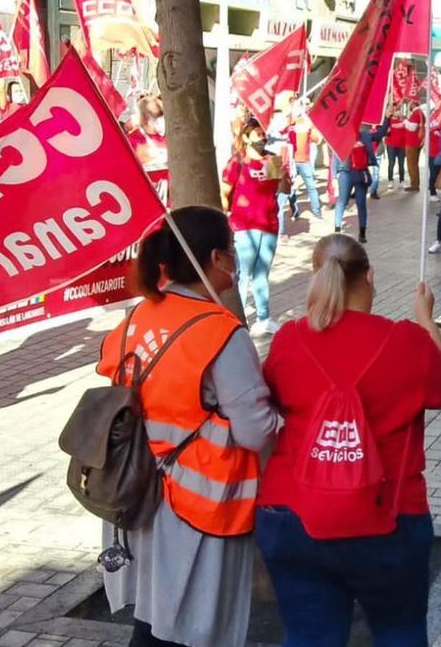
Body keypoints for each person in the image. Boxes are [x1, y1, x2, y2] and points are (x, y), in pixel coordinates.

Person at [256, 234, 441, 647]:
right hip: (387, 517)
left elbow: (272, 399)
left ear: (317, 277)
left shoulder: (289, 339)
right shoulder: (407, 340)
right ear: (369, 276)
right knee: (398, 633)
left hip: (291, 514)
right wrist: (426, 320)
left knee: (308, 637)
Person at [98, 206, 278, 647]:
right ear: (215, 258)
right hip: (201, 504)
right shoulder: (220, 332)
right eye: (232, 250)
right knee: (190, 630)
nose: (235, 260)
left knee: (154, 618)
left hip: (136, 492)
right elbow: (257, 431)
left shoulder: (137, 318)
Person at [221, 119, 283, 335]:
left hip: (269, 225)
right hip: (244, 227)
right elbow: (225, 192)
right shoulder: (237, 161)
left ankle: (264, 317)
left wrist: (283, 175)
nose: (262, 138)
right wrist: (227, 216)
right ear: (246, 137)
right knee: (242, 274)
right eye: (257, 134)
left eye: (263, 134)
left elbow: (284, 188)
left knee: (261, 274)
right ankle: (235, 320)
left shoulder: (272, 159)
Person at [288, 101, 323, 219]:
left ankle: (316, 210)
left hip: (304, 161)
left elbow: (316, 139)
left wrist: (309, 128)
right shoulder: (287, 123)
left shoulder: (307, 123)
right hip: (291, 161)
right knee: (290, 188)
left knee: (311, 186)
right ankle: (295, 210)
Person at [128, 95, 168, 168]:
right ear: (144, 118)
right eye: (156, 115)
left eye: (161, 114)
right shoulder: (135, 139)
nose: (160, 119)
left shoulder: (168, 136)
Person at [385, 103, 408, 186]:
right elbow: (384, 132)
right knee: (391, 163)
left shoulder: (404, 119)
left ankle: (402, 180)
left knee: (401, 163)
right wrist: (386, 131)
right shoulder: (388, 120)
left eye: (398, 110)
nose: (397, 112)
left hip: (402, 145)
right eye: (395, 110)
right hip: (391, 145)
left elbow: (408, 130)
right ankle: (390, 180)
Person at [404, 102, 425, 192]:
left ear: (412, 104)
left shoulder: (416, 113)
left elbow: (412, 127)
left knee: (411, 164)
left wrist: (404, 120)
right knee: (414, 164)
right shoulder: (420, 113)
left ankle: (414, 184)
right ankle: (415, 183)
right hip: (417, 141)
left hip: (412, 143)